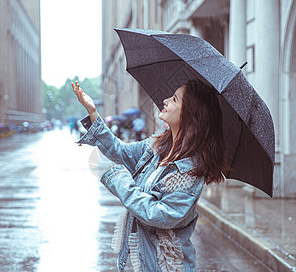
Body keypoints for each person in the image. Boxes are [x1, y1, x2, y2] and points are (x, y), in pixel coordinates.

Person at [72, 79, 231, 271]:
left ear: (190, 114)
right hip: (146, 260)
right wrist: (93, 112)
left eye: (174, 99)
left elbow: (159, 215)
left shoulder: (189, 170)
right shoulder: (158, 146)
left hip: (168, 266)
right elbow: (121, 152)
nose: (165, 101)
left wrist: (121, 181)